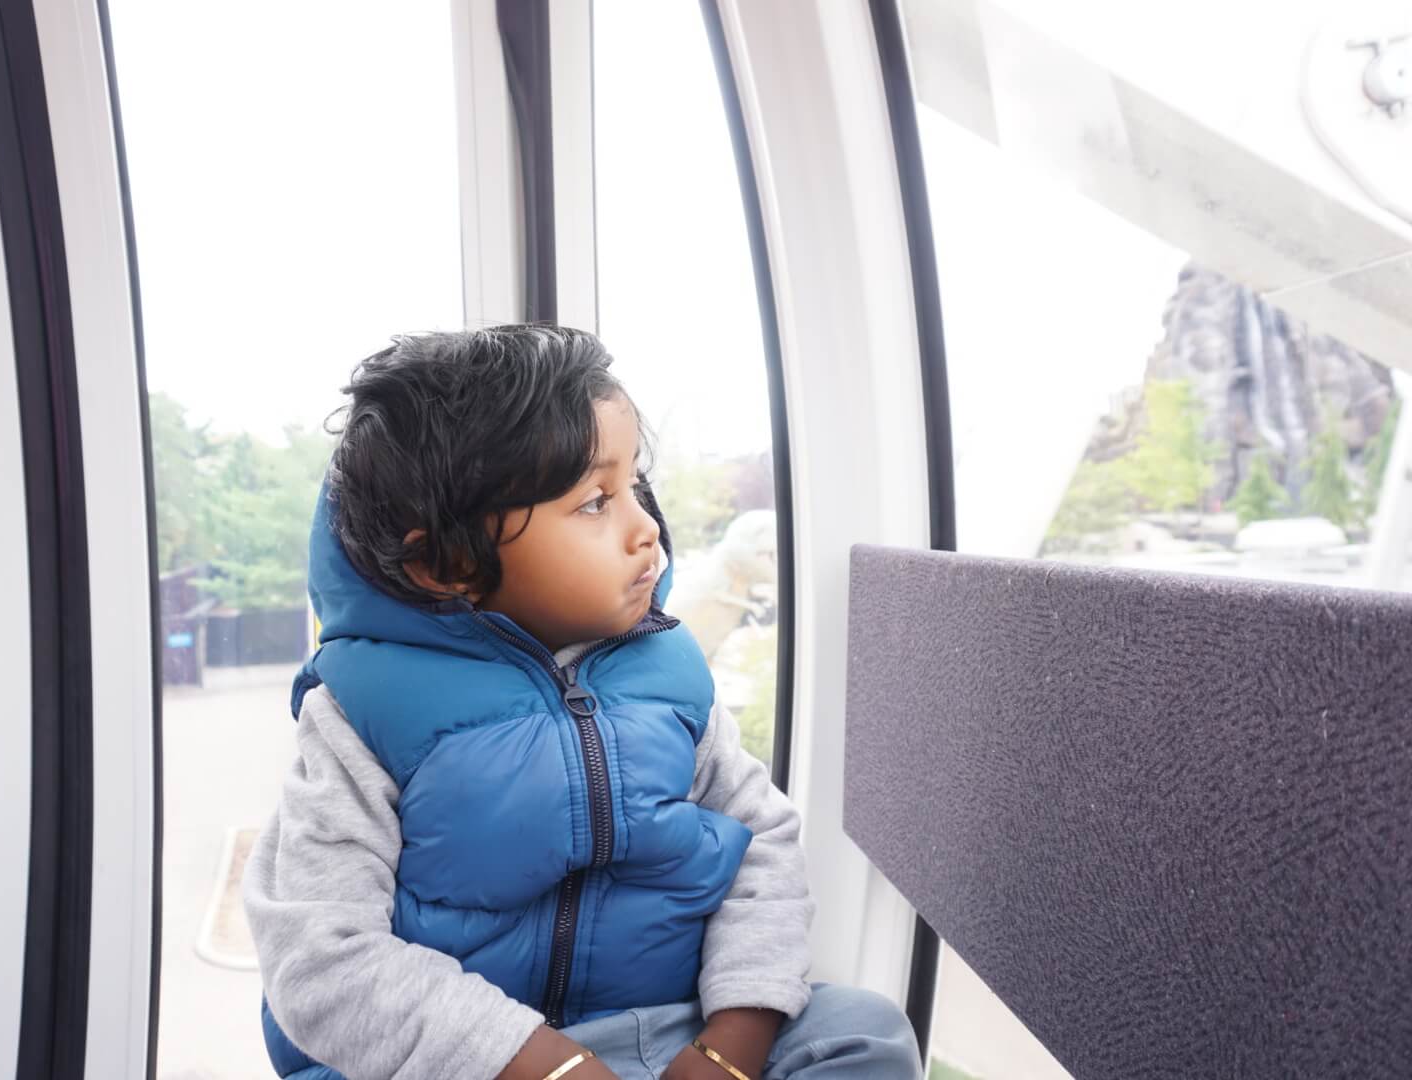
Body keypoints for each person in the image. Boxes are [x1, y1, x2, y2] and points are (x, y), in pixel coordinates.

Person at [243, 325, 922, 1079]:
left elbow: (759, 847)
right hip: (463, 1059)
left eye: (636, 486)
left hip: (662, 1034)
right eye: (597, 502)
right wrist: (548, 1066)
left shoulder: (671, 676)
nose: (647, 530)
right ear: (446, 561)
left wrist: (731, 1042)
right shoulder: (358, 717)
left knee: (865, 1031)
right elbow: (323, 959)